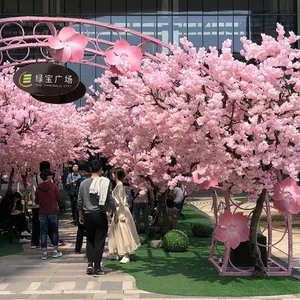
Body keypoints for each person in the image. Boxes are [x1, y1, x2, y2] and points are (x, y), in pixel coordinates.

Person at [77, 160, 118, 276]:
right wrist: (114, 210)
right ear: (101, 170)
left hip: (87, 214)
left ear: (90, 169)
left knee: (90, 239)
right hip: (100, 213)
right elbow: (110, 198)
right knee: (99, 240)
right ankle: (97, 267)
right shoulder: (105, 182)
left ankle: (90, 263)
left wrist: (80, 214)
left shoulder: (83, 183)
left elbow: (79, 200)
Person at [108, 168, 140, 263]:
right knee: (115, 231)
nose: (112, 175)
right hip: (118, 210)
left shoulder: (120, 186)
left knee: (123, 231)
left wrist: (120, 214)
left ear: (115, 175)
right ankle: (116, 252)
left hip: (121, 211)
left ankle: (126, 254)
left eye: (113, 174)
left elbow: (121, 201)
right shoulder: (118, 185)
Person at [35, 169, 63, 260]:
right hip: (53, 211)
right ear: (48, 176)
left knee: (43, 232)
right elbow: (59, 198)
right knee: (54, 231)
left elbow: (37, 201)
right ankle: (55, 251)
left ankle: (44, 252)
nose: (52, 176)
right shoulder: (53, 186)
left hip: (42, 212)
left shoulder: (39, 187)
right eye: (51, 175)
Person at [75, 161, 90, 254]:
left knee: (80, 228)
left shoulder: (80, 181)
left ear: (83, 171)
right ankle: (90, 247)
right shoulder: (93, 180)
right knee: (90, 229)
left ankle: (78, 248)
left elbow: (78, 196)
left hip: (82, 207)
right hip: (91, 208)